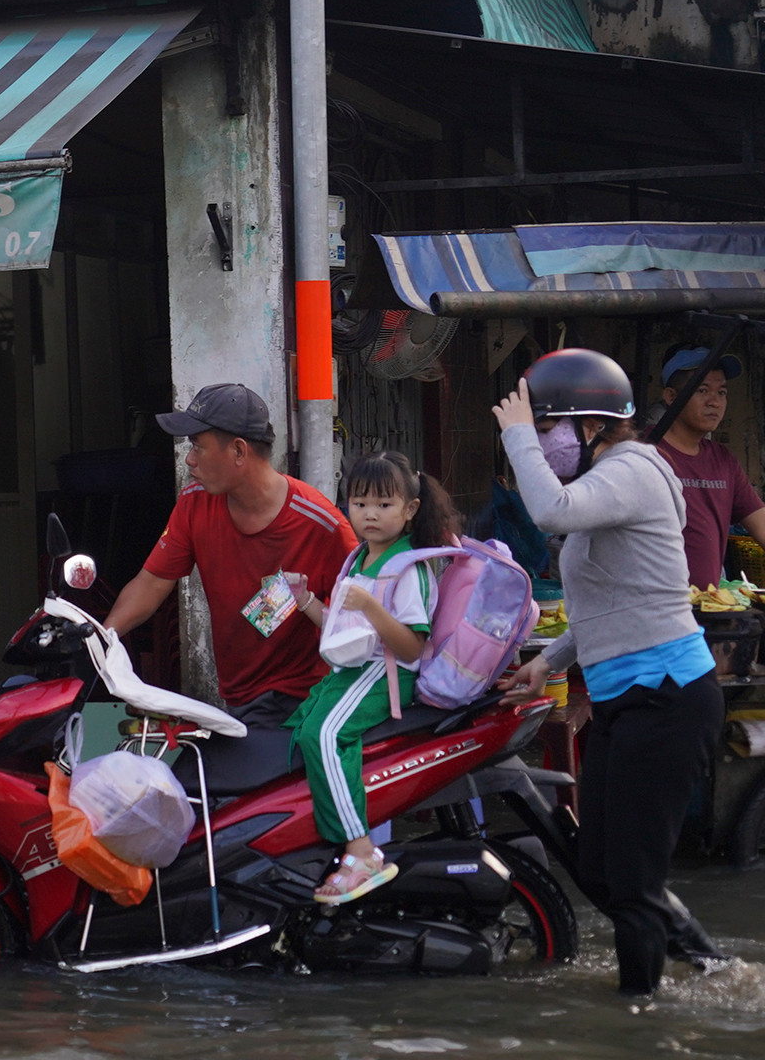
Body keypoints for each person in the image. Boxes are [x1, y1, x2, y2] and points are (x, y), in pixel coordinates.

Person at [495, 348, 724, 998]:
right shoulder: (608, 482)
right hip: (628, 700)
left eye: (546, 431)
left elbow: (550, 512)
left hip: (669, 698)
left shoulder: (634, 472)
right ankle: (711, 967)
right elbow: (605, 604)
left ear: (588, 426)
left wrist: (516, 436)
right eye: (534, 433)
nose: (540, 445)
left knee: (631, 883)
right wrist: (548, 661)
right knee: (597, 869)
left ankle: (637, 1021)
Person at [102, 383, 357, 730]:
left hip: (303, 705)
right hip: (237, 701)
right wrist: (103, 638)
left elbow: (361, 623)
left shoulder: (323, 525)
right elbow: (151, 583)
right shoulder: (195, 502)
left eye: (198, 446)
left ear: (239, 451)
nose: (189, 459)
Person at [284, 452, 456, 903]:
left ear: (410, 510)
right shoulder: (358, 559)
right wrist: (304, 602)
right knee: (297, 731)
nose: (370, 514)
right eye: (360, 504)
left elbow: (412, 649)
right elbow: (345, 633)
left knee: (323, 735)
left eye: (383, 504)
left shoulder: (408, 569)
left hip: (382, 676)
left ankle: (361, 851)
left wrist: (372, 608)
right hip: (350, 671)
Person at [650, 345, 765, 589]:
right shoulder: (643, 451)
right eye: (702, 390)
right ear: (671, 397)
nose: (714, 402)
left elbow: (760, 521)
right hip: (652, 611)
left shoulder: (723, 460)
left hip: (708, 607)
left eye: (721, 392)